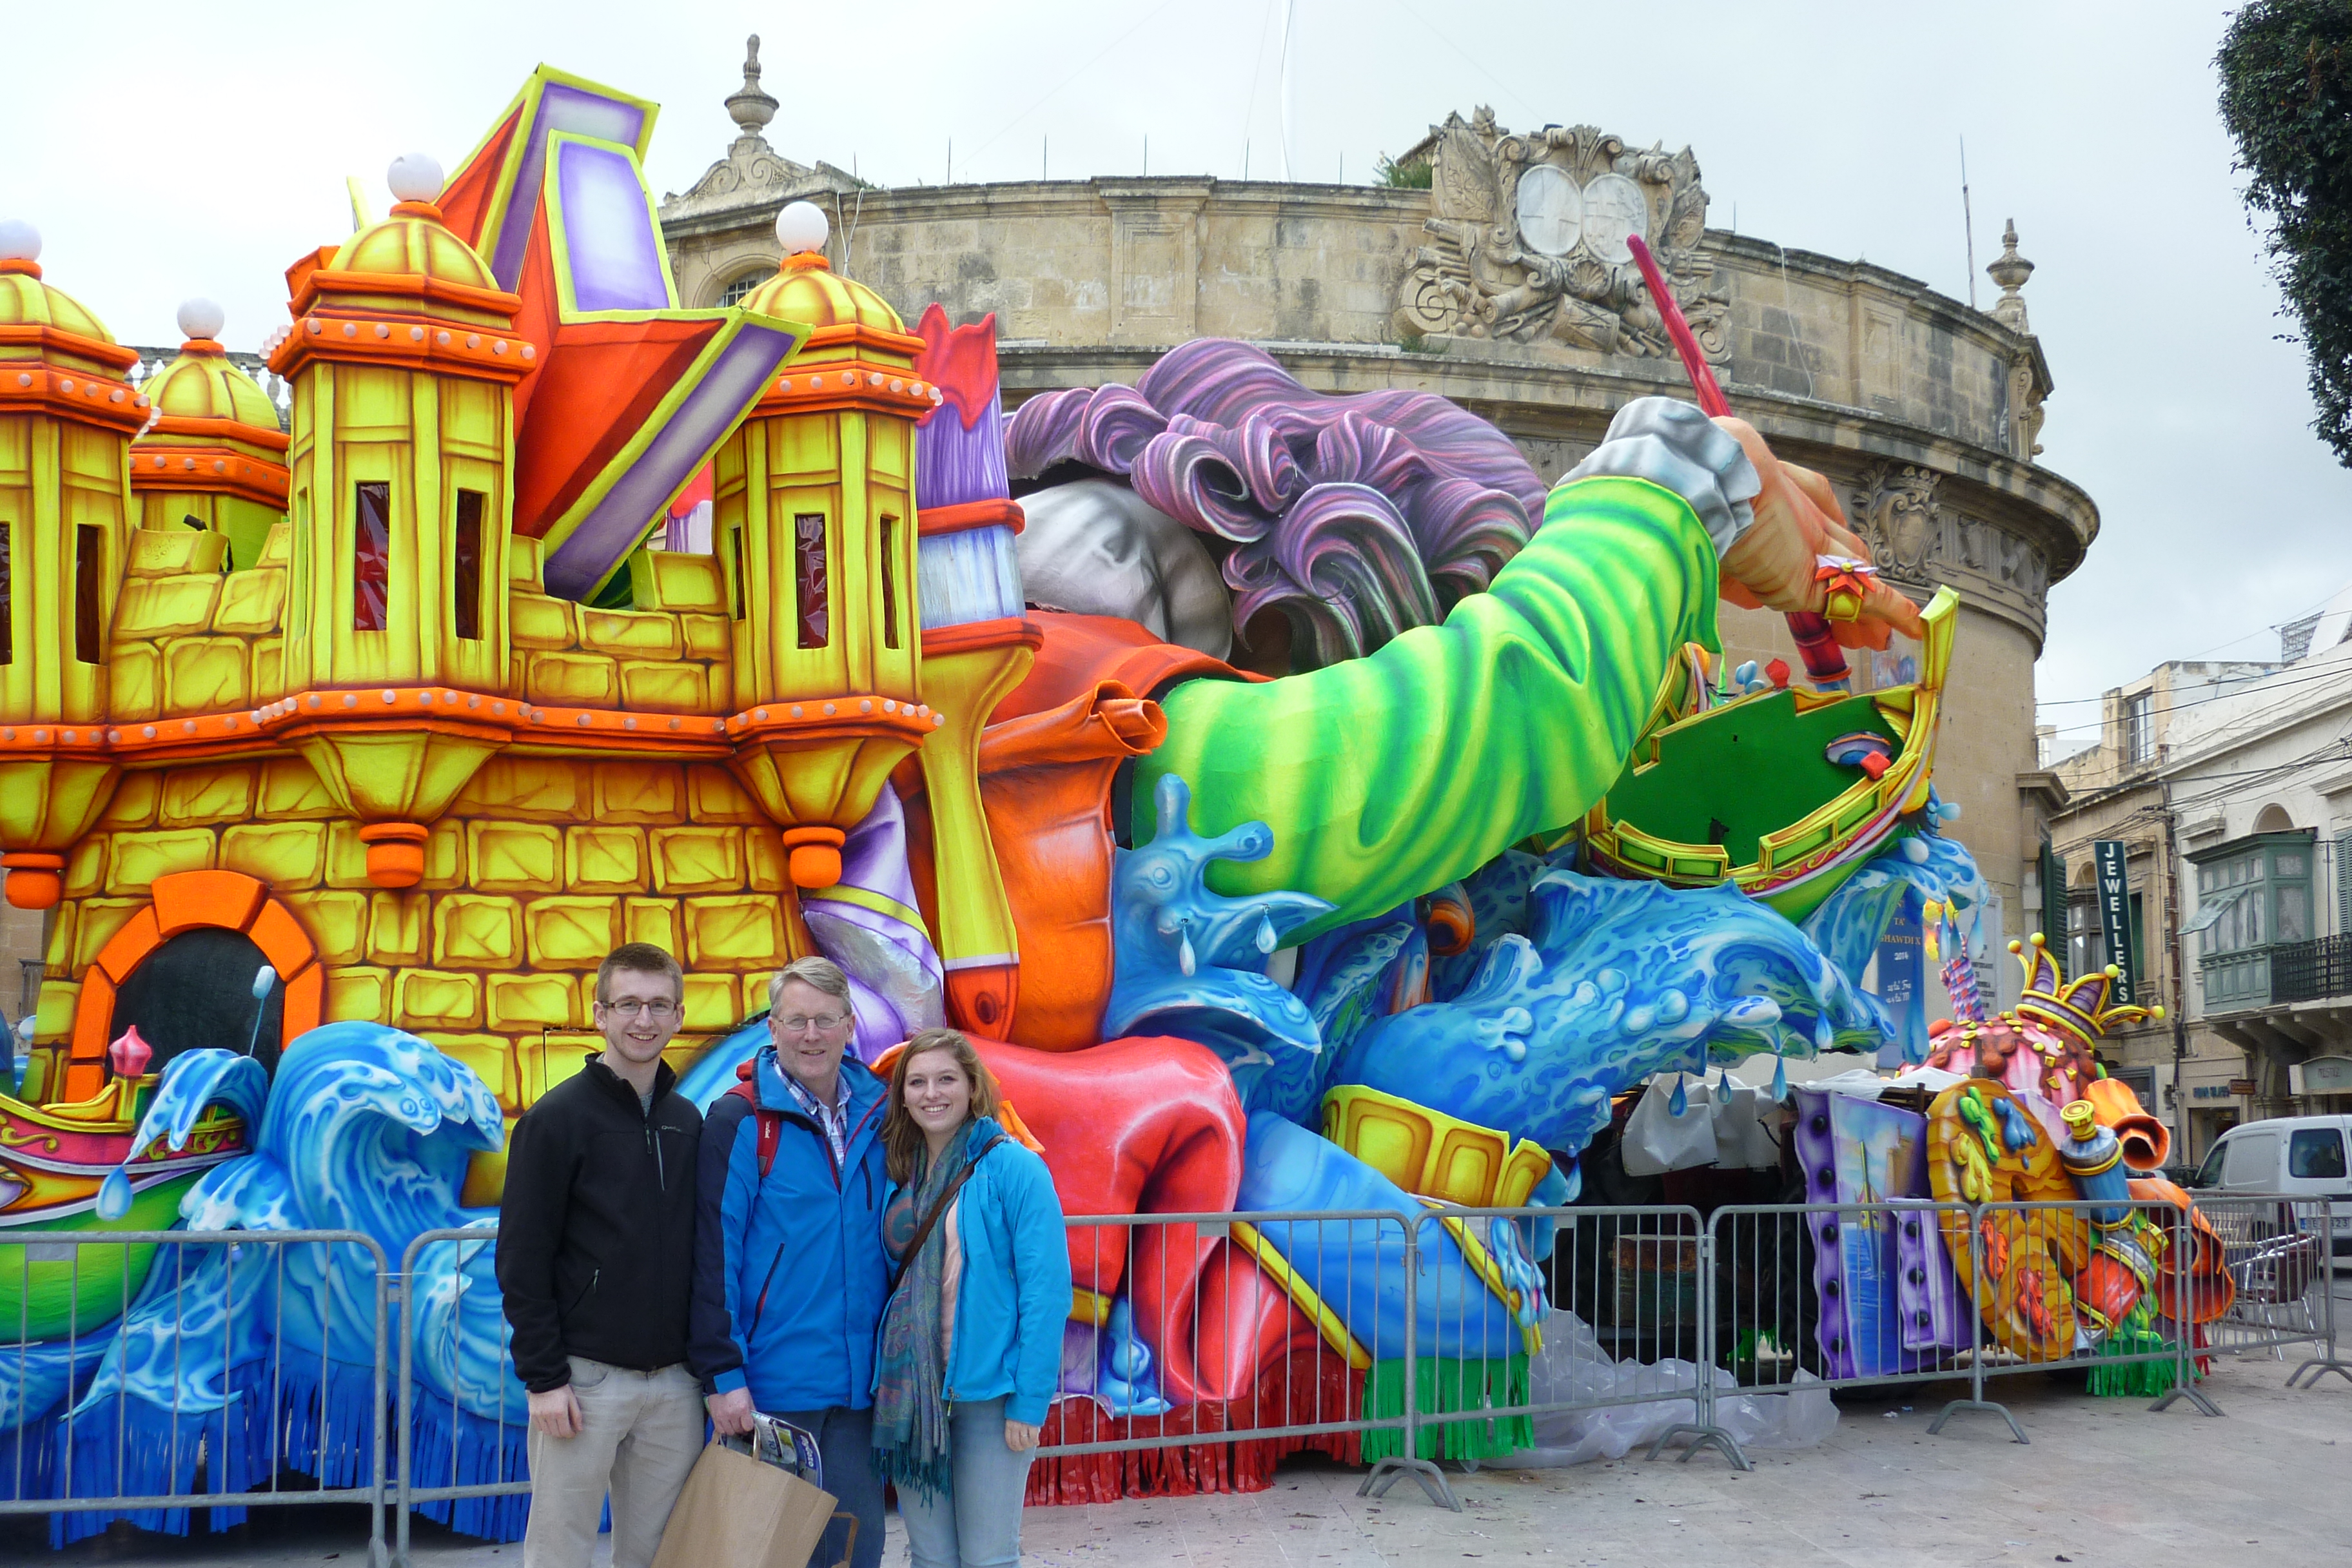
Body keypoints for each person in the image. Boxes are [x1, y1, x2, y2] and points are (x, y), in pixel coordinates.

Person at [497, 943, 703, 1568]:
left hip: (674, 1385)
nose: (644, 1019)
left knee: (659, 1556)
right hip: (583, 1380)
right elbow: (522, 1256)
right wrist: (544, 1377)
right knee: (560, 1551)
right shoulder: (555, 1119)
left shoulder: (687, 1121)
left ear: (678, 1015)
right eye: (628, 1004)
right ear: (600, 1013)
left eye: (659, 1005)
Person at [691, 956, 889, 1568]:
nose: (811, 1035)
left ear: (849, 1026)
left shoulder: (882, 1113)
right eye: (796, 1020)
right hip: (773, 1392)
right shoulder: (741, 1119)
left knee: (854, 1554)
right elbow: (713, 1252)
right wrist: (723, 1377)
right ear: (773, 1028)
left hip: (859, 1393)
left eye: (825, 1020)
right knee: (768, 1556)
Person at [873, 1028, 1070, 1568]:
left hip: (989, 1397)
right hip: (911, 1397)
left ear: (971, 1087)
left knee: (988, 1558)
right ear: (902, 1095)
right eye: (917, 1082)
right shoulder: (895, 1172)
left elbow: (1047, 1293)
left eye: (946, 1079)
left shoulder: (1015, 1168)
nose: (932, 1093)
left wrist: (1030, 1402)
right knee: (932, 1557)